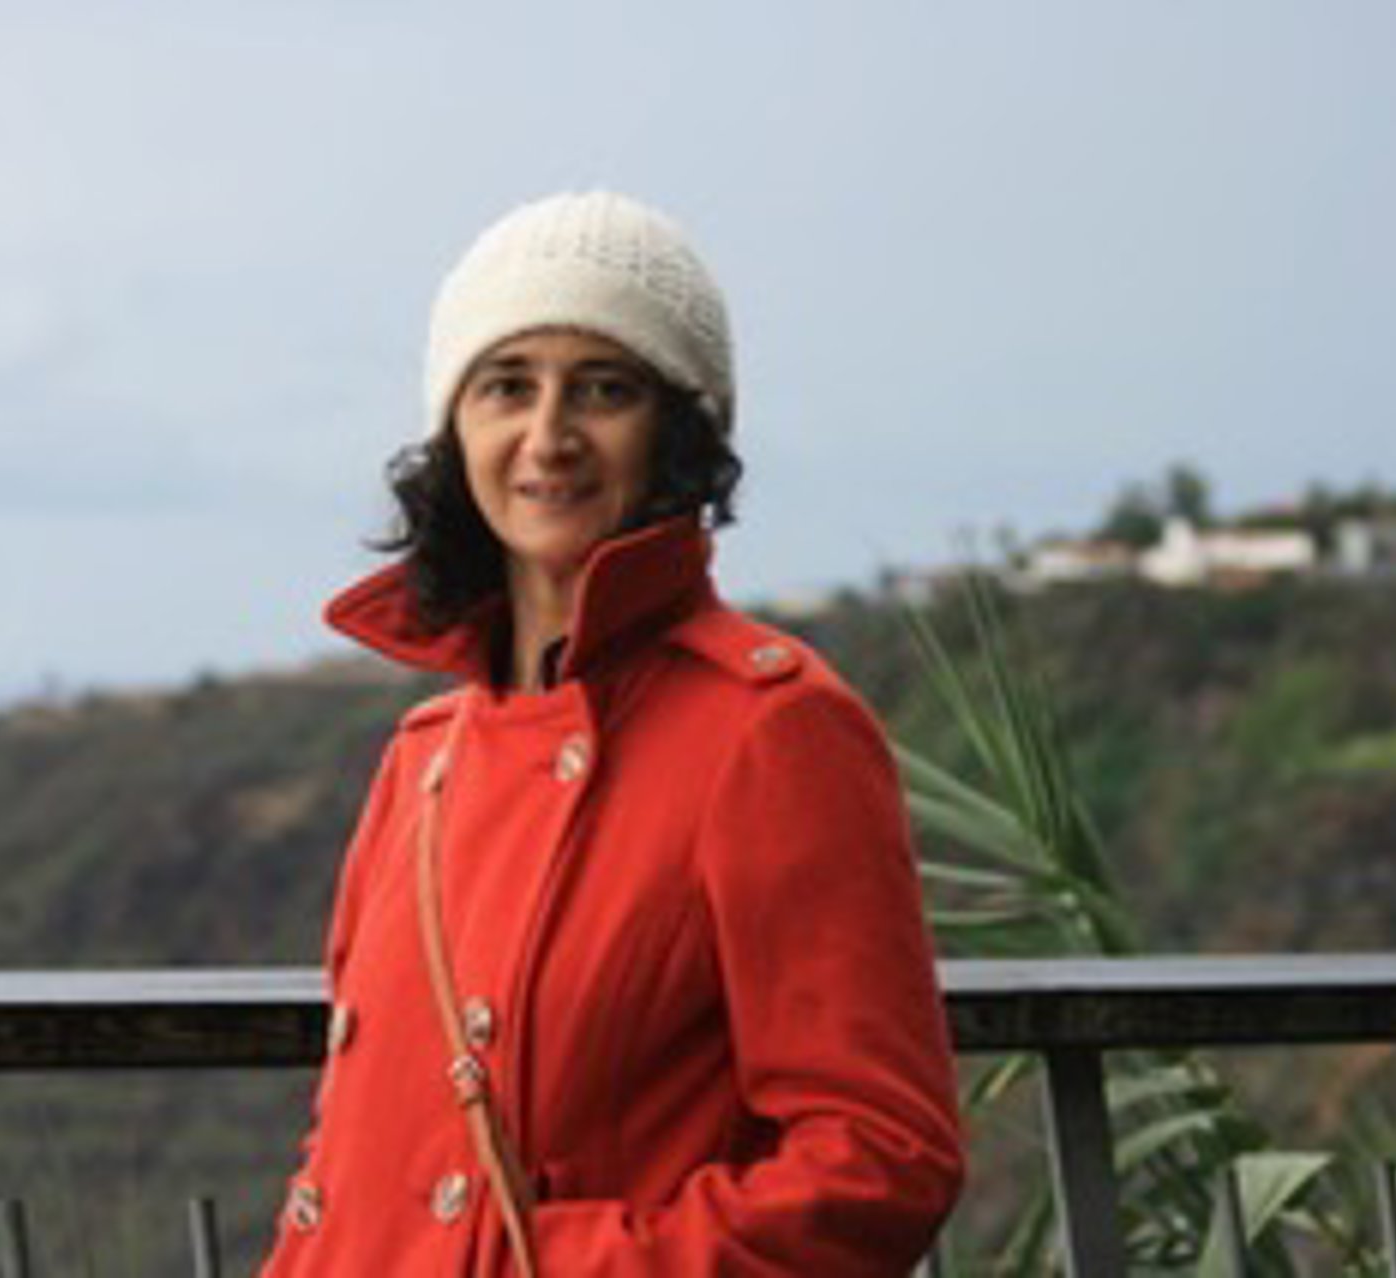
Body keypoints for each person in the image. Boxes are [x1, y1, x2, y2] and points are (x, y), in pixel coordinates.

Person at [259, 191, 965, 1277]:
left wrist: (554, 1264)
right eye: (507, 385)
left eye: (604, 388)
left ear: (679, 433)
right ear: (456, 430)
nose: (549, 438)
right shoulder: (423, 758)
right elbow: (349, 1159)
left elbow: (882, 1158)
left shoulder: (770, 731)